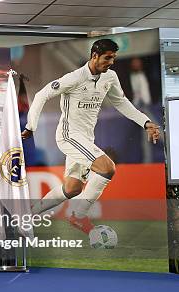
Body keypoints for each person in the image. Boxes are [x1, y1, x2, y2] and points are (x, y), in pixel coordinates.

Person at [22, 39, 161, 233]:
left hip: (86, 139)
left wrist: (146, 122)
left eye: (113, 58)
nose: (111, 62)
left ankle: (27, 217)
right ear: (94, 56)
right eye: (107, 57)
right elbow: (41, 95)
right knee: (107, 168)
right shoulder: (75, 78)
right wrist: (31, 126)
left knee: (72, 189)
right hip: (69, 136)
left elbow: (121, 102)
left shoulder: (109, 77)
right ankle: (78, 216)